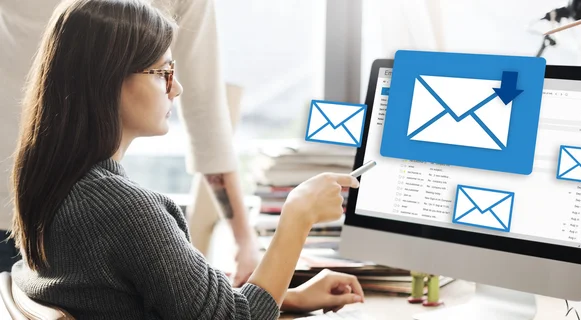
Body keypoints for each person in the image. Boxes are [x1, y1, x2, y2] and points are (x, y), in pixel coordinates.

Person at [8, 0, 365, 319]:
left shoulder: (54, 186)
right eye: (162, 73)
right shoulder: (123, 210)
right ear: (109, 80)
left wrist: (288, 297)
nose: (176, 88)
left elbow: (172, 300)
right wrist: (298, 214)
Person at [0, 0, 261, 285]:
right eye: (162, 73)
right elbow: (206, 116)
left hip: (33, 202)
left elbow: (206, 117)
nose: (175, 88)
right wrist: (267, 231)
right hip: (44, 216)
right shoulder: (132, 214)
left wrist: (242, 240)